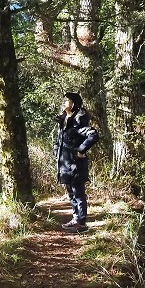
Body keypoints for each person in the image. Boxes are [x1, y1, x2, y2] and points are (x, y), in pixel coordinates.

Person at [54, 92, 99, 232]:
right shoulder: (64, 120)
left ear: (74, 104)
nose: (64, 102)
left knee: (78, 194)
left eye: (68, 100)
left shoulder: (78, 121)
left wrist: (81, 150)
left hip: (76, 165)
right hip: (65, 165)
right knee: (71, 194)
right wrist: (56, 152)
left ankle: (82, 223)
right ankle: (75, 219)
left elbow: (93, 135)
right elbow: (59, 141)